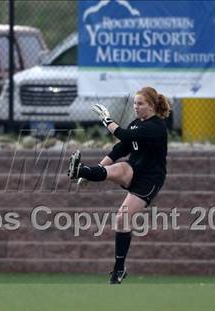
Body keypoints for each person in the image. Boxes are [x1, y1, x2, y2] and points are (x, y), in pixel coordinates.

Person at [67, 86, 171, 284]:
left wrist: (107, 120)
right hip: (134, 169)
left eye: (140, 104)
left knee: (122, 219)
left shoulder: (156, 126)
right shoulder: (136, 124)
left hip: (150, 179)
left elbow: (124, 136)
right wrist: (95, 172)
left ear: (151, 106)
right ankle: (80, 171)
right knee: (118, 168)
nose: (136, 107)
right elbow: (119, 148)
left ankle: (118, 269)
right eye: (134, 103)